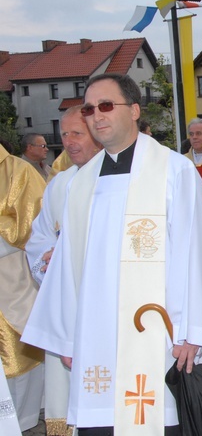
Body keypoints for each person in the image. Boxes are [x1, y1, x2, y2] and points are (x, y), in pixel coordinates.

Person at [23, 73, 202, 435]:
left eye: (107, 105)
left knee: (154, 421)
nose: (97, 115)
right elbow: (66, 267)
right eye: (90, 109)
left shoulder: (173, 171)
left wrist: (191, 330)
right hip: (96, 335)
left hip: (156, 331)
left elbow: (194, 253)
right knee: (101, 424)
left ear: (135, 110)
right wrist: (66, 336)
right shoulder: (80, 183)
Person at [25, 106, 102, 435]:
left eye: (77, 134)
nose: (68, 142)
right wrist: (48, 258)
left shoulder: (117, 180)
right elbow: (38, 236)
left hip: (102, 307)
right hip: (65, 307)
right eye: (65, 134)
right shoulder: (59, 185)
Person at [0, 142, 46, 432]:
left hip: (11, 278)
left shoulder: (19, 172)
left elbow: (33, 225)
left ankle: (21, 422)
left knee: (16, 353)